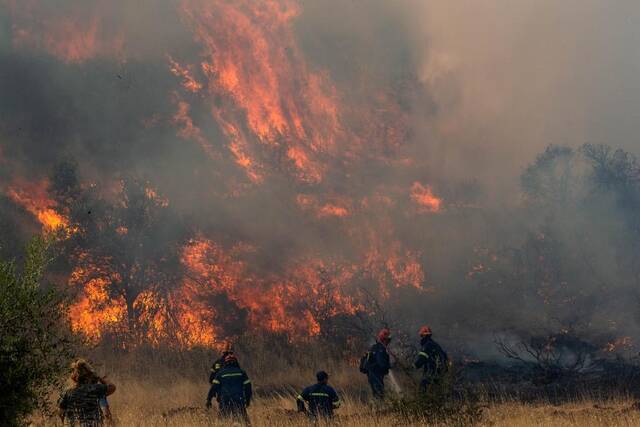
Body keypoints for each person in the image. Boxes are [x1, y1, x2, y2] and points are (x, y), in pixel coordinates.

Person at [58, 359, 116, 427]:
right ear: (89, 375)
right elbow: (112, 387)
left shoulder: (67, 392)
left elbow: (61, 412)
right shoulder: (96, 389)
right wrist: (100, 378)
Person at [206, 354, 252, 424]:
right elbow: (248, 387)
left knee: (221, 422)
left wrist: (208, 400)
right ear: (236, 362)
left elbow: (213, 388)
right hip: (238, 400)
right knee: (244, 422)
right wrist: (248, 400)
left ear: (225, 363)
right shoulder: (241, 373)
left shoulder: (220, 373)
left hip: (224, 400)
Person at [414, 325, 449, 391]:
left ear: (424, 336)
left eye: (421, 336)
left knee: (423, 391)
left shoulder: (427, 346)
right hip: (439, 375)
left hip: (430, 374)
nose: (421, 338)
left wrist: (414, 366)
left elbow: (422, 359)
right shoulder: (436, 345)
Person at [365, 328, 391, 400]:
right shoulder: (381, 349)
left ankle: (377, 407)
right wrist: (389, 366)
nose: (388, 342)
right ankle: (380, 408)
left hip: (372, 374)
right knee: (379, 394)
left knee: (376, 393)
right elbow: (381, 363)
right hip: (376, 374)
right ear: (384, 339)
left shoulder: (374, 347)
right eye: (388, 340)